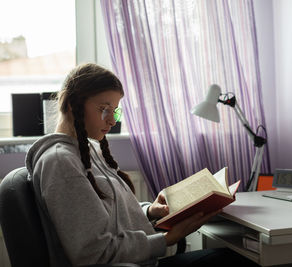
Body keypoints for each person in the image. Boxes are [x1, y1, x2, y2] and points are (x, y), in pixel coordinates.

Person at [26, 63, 258, 267]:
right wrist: (167, 239)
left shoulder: (86, 150)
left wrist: (149, 210)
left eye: (115, 110)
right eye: (103, 109)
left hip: (138, 260)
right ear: (72, 105)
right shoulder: (61, 162)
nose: (112, 120)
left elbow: (106, 218)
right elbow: (93, 253)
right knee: (242, 259)